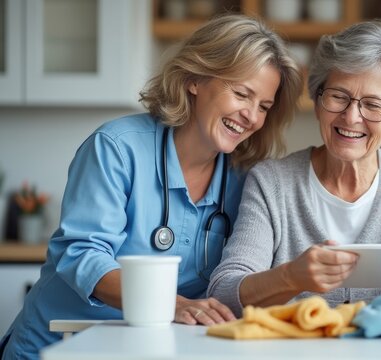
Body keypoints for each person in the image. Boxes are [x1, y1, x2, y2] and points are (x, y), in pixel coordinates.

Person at [0, 14, 302, 360]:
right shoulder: (117, 148)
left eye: (263, 106)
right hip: (59, 346)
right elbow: (81, 254)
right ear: (195, 79)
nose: (251, 116)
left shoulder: (244, 179)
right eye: (241, 94)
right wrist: (167, 304)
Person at [208, 20, 381, 317]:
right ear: (318, 101)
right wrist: (290, 277)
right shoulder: (271, 182)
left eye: (372, 104)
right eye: (338, 97)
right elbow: (224, 292)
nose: (351, 117)